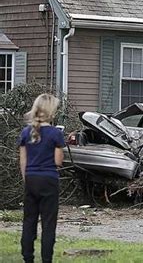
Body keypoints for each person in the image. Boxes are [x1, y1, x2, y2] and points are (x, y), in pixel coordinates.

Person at [18, 93, 65, 263]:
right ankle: (46, 259)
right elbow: (58, 162)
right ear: (51, 111)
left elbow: (23, 161)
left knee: (29, 220)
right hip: (49, 179)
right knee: (48, 222)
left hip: (31, 178)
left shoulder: (25, 133)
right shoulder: (55, 134)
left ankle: (27, 257)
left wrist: (27, 178)